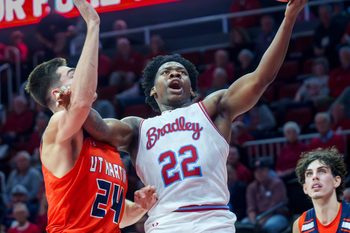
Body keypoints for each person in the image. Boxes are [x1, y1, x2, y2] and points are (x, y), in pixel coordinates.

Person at [83, 1, 307, 232]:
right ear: (153, 89)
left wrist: (289, 18)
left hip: (214, 221)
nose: (174, 74)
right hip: (165, 224)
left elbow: (261, 78)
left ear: (191, 89)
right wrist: (74, 100)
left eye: (181, 72)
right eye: (166, 72)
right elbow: (99, 127)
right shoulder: (137, 128)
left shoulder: (213, 109)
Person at [25, 1, 157, 232]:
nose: (86, 76)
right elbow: (81, 101)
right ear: (58, 94)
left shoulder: (102, 139)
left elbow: (113, 215)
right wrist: (93, 24)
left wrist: (140, 207)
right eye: (74, 74)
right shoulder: (58, 128)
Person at [293, 148, 350, 233]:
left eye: (322, 171)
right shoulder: (300, 225)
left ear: (336, 181)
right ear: (305, 188)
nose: (314, 177)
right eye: (309, 173)